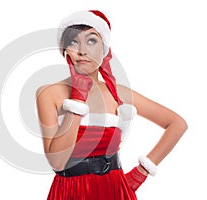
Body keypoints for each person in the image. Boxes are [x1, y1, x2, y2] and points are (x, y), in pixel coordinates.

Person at [36, 10, 187, 200]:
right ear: (65, 50)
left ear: (105, 50)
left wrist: (140, 174)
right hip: (70, 191)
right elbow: (57, 162)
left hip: (115, 190)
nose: (82, 50)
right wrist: (77, 99)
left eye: (91, 41)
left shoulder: (121, 94)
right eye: (74, 41)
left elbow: (177, 124)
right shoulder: (49, 93)